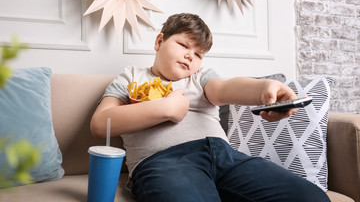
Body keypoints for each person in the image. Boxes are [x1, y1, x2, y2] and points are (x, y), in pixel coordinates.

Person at [91, 13, 330, 202]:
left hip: (226, 157)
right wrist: (165, 109)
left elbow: (225, 88)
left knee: (313, 197)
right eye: (184, 45)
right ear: (159, 41)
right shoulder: (131, 76)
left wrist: (264, 88)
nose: (190, 57)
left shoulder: (201, 76)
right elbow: (101, 123)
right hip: (162, 161)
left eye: (198, 54)